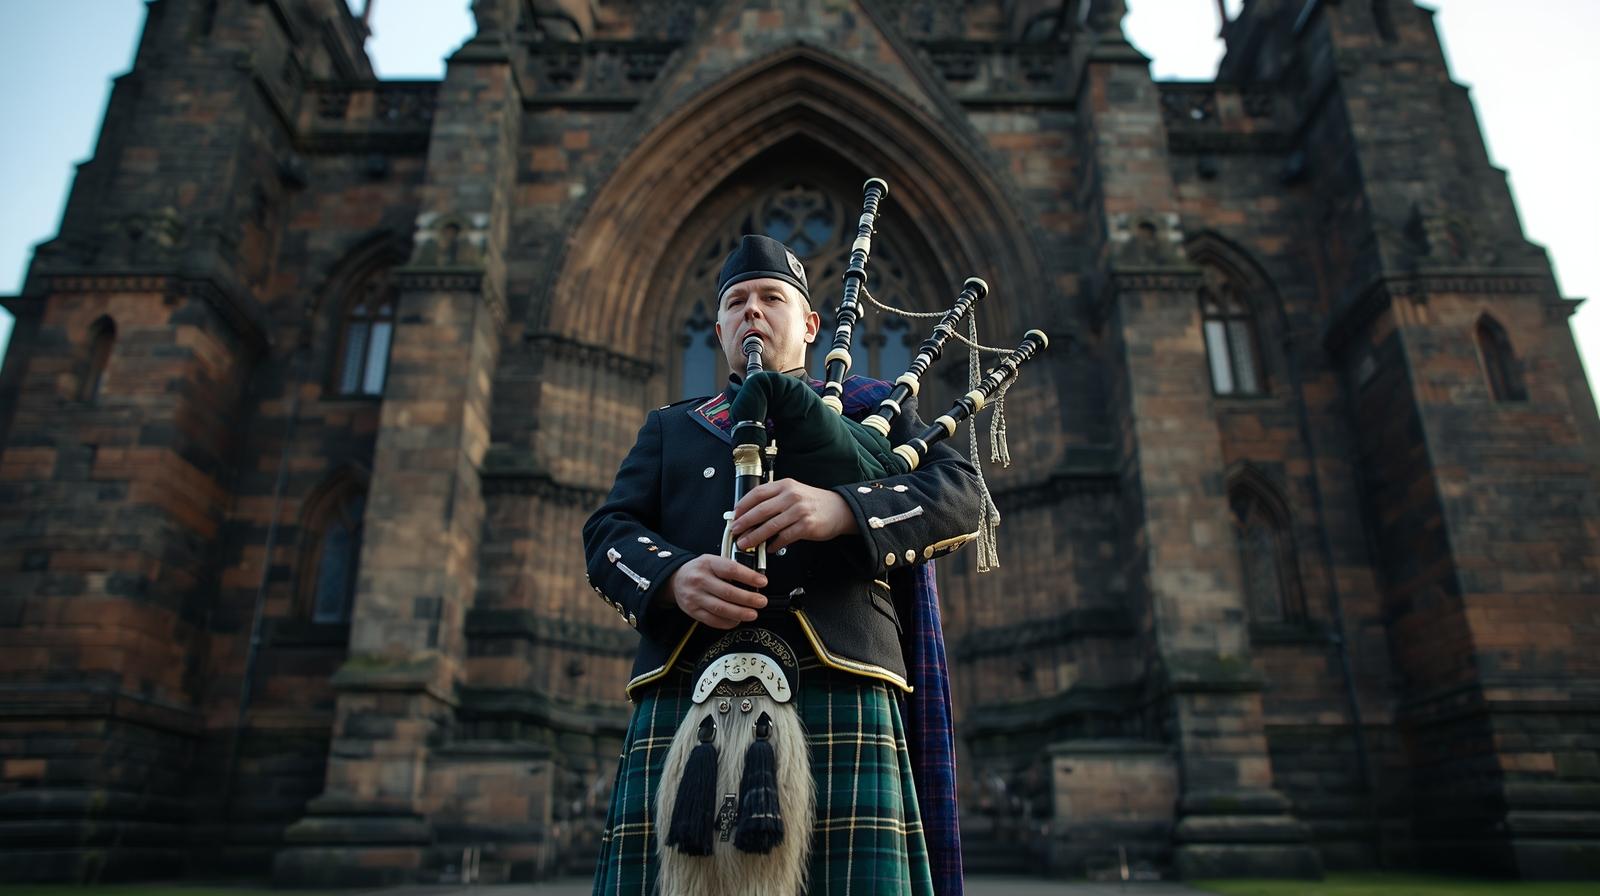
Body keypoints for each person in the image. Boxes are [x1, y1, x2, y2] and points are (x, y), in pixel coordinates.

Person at [584, 234, 983, 895]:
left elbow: (963, 500)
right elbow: (608, 534)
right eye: (737, 303)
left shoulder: (871, 412)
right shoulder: (672, 428)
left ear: (810, 323)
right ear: (718, 329)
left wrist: (841, 509)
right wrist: (673, 577)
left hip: (841, 678)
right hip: (688, 681)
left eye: (772, 298)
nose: (753, 312)